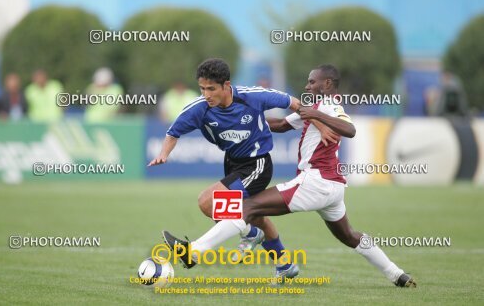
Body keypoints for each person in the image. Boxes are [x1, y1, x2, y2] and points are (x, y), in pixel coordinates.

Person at [164, 64, 417, 288]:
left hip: (316, 182)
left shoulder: (329, 105)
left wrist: (317, 116)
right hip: (332, 189)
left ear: (327, 84)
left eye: (312, 81)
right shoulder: (314, 107)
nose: (307, 85)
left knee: (245, 209)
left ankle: (194, 252)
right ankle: (397, 275)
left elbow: (349, 129)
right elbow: (283, 125)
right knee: (350, 236)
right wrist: (251, 121)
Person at [150, 58, 306, 280]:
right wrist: (164, 154)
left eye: (211, 89)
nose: (206, 94)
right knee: (256, 216)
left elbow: (293, 102)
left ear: (226, 85)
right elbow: (172, 133)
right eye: (202, 88)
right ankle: (284, 264)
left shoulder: (251, 96)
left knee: (207, 201)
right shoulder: (199, 108)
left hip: (258, 164)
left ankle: (221, 243)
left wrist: (319, 121)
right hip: (233, 163)